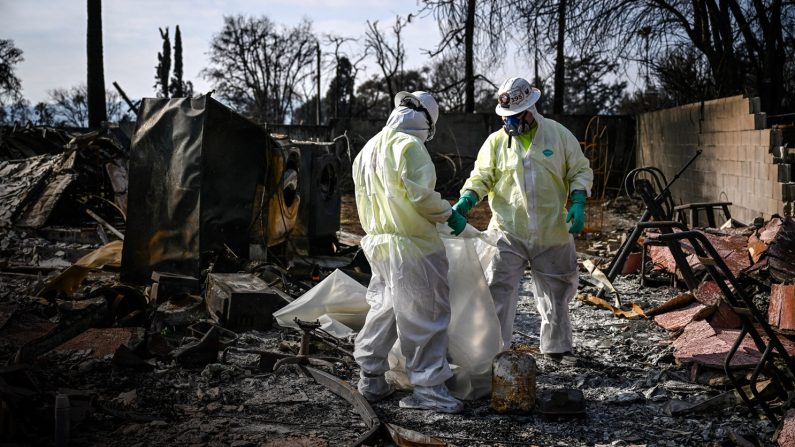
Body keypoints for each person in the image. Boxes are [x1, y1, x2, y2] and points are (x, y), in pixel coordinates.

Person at [453, 77, 593, 359]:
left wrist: (578, 201)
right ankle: (494, 353)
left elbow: (579, 170)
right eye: (506, 118)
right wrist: (467, 198)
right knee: (497, 291)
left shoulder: (558, 135)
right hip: (508, 230)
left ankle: (557, 349)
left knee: (556, 292)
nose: (511, 123)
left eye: (516, 116)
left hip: (552, 229)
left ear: (531, 109)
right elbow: (482, 175)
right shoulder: (495, 143)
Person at [352, 90, 466, 413]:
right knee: (425, 315)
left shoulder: (367, 150)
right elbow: (421, 198)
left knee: (384, 310)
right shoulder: (410, 147)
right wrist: (448, 213)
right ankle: (429, 390)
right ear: (428, 123)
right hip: (413, 246)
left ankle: (370, 378)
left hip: (378, 244)